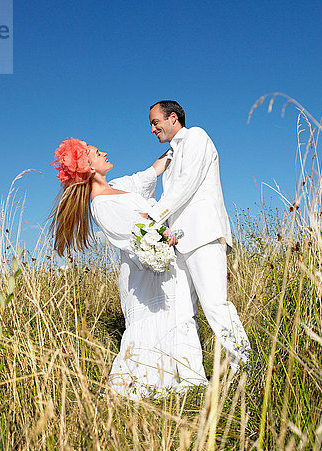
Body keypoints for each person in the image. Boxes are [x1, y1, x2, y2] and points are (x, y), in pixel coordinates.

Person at [49, 137, 208, 400]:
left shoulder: (120, 186)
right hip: (142, 274)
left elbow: (150, 173)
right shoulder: (101, 205)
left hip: (164, 265)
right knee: (152, 322)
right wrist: (157, 229)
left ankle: (190, 378)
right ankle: (146, 381)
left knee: (178, 316)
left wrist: (177, 145)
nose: (105, 153)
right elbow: (136, 237)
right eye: (99, 153)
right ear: (89, 167)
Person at [145, 100, 251, 372]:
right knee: (181, 312)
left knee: (215, 305)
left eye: (155, 122)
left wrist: (152, 218)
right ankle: (192, 376)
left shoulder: (197, 137)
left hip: (203, 235)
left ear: (172, 118)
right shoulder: (170, 155)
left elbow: (185, 185)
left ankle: (247, 367)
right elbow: (173, 195)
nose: (153, 129)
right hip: (178, 245)